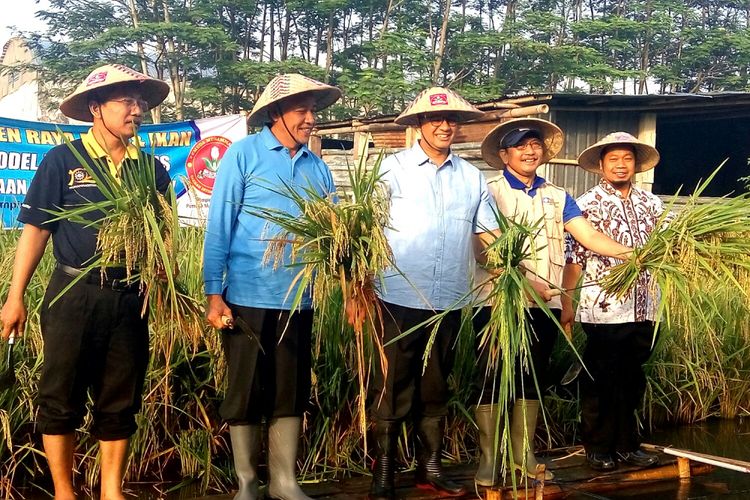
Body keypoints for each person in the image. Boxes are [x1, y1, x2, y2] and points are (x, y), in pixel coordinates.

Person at [0, 64, 170, 500]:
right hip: (73, 295)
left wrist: (163, 285)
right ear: (96, 108)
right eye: (127, 102)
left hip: (131, 299)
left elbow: (164, 237)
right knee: (60, 394)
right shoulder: (64, 160)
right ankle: (64, 492)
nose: (137, 111)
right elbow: (36, 230)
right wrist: (15, 296)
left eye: (141, 102)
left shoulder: (151, 170)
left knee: (121, 396)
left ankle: (111, 490)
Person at [472, 118, 634, 486]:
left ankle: (523, 456)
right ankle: (487, 459)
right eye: (520, 146)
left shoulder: (558, 195)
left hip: (545, 306)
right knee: (492, 377)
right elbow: (484, 248)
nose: (530, 151)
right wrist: (526, 285)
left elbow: (588, 235)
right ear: (504, 154)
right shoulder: (489, 191)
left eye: (535, 145)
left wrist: (633, 254)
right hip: (497, 302)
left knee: (532, 377)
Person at [203, 73, 340, 500]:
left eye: (313, 110)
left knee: (290, 389)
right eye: (302, 110)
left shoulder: (317, 167)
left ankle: (283, 480)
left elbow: (331, 231)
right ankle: (247, 481)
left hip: (299, 298)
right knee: (245, 389)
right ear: (276, 113)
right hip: (246, 295)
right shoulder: (243, 155)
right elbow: (219, 226)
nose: (310, 119)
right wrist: (214, 292)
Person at [368, 87, 497, 500]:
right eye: (435, 120)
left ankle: (431, 467)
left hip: (451, 298)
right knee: (392, 385)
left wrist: (510, 261)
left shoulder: (471, 175)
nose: (445, 126)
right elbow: (366, 229)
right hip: (398, 294)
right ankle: (384, 472)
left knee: (435, 386)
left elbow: (485, 234)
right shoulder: (392, 169)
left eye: (451, 120)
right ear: (418, 125)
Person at [561, 132, 665, 472]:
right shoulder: (587, 203)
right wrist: (568, 302)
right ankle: (598, 447)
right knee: (601, 380)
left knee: (632, 379)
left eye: (627, 159)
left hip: (645, 305)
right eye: (613, 159)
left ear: (635, 164)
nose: (620, 165)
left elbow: (668, 246)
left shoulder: (652, 203)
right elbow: (574, 257)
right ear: (601, 165)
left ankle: (627, 445)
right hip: (603, 306)